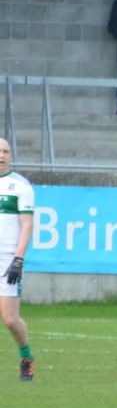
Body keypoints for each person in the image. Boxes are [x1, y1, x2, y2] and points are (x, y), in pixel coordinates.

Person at [0, 138, 35, 382]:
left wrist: (18, 259)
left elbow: (27, 224)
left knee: (10, 320)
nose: (1, 155)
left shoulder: (20, 186)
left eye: (5, 151)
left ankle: (26, 357)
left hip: (7, 259)